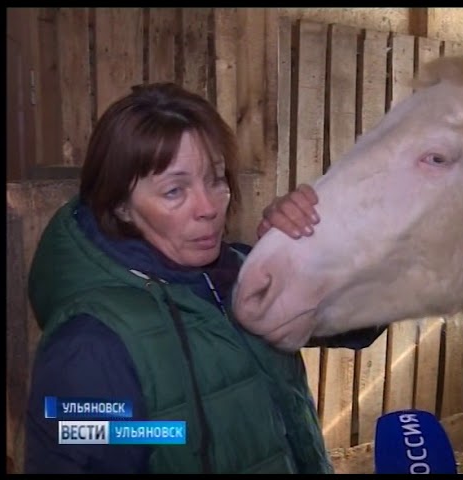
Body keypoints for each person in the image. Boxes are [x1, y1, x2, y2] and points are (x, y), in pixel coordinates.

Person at [24, 82, 384, 474]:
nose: (210, 207)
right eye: (175, 191)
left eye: (215, 179)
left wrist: (317, 249)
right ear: (120, 206)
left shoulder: (240, 273)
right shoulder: (90, 345)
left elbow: (355, 324)